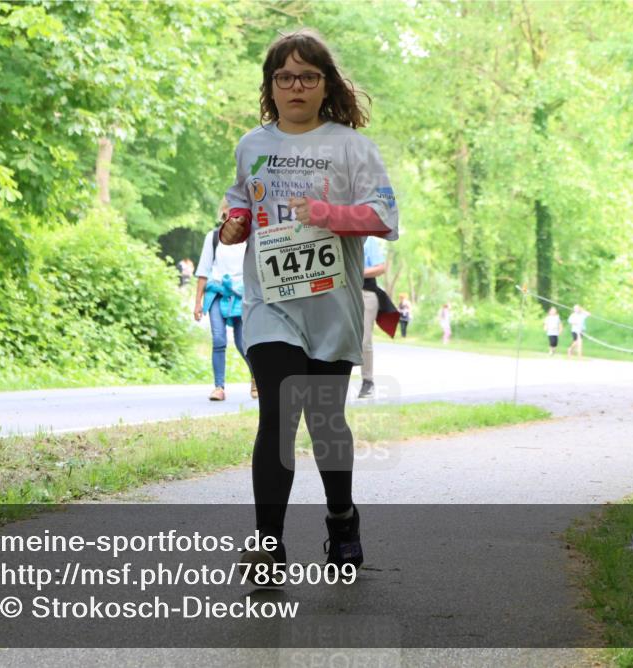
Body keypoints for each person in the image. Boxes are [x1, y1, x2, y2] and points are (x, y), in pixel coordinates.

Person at [217, 28, 398, 580]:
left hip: (331, 305)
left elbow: (384, 218)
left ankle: (342, 518)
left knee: (324, 423)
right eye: (284, 76)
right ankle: (268, 548)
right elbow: (237, 203)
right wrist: (233, 224)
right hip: (269, 305)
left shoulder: (351, 147)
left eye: (308, 76)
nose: (296, 86)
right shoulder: (252, 144)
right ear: (271, 86)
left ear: (326, 85)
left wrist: (328, 214)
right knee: (276, 416)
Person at [193, 199, 256, 401]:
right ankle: (218, 387)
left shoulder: (250, 239)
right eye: (230, 211)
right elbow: (203, 270)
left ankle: (257, 377)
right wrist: (197, 303)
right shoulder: (213, 238)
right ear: (223, 213)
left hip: (242, 295)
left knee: (242, 342)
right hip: (217, 293)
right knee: (218, 339)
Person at [359, 237, 386, 399]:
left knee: (364, 340)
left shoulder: (368, 239)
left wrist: (356, 271)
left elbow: (381, 268)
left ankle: (367, 381)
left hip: (366, 292)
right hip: (342, 292)